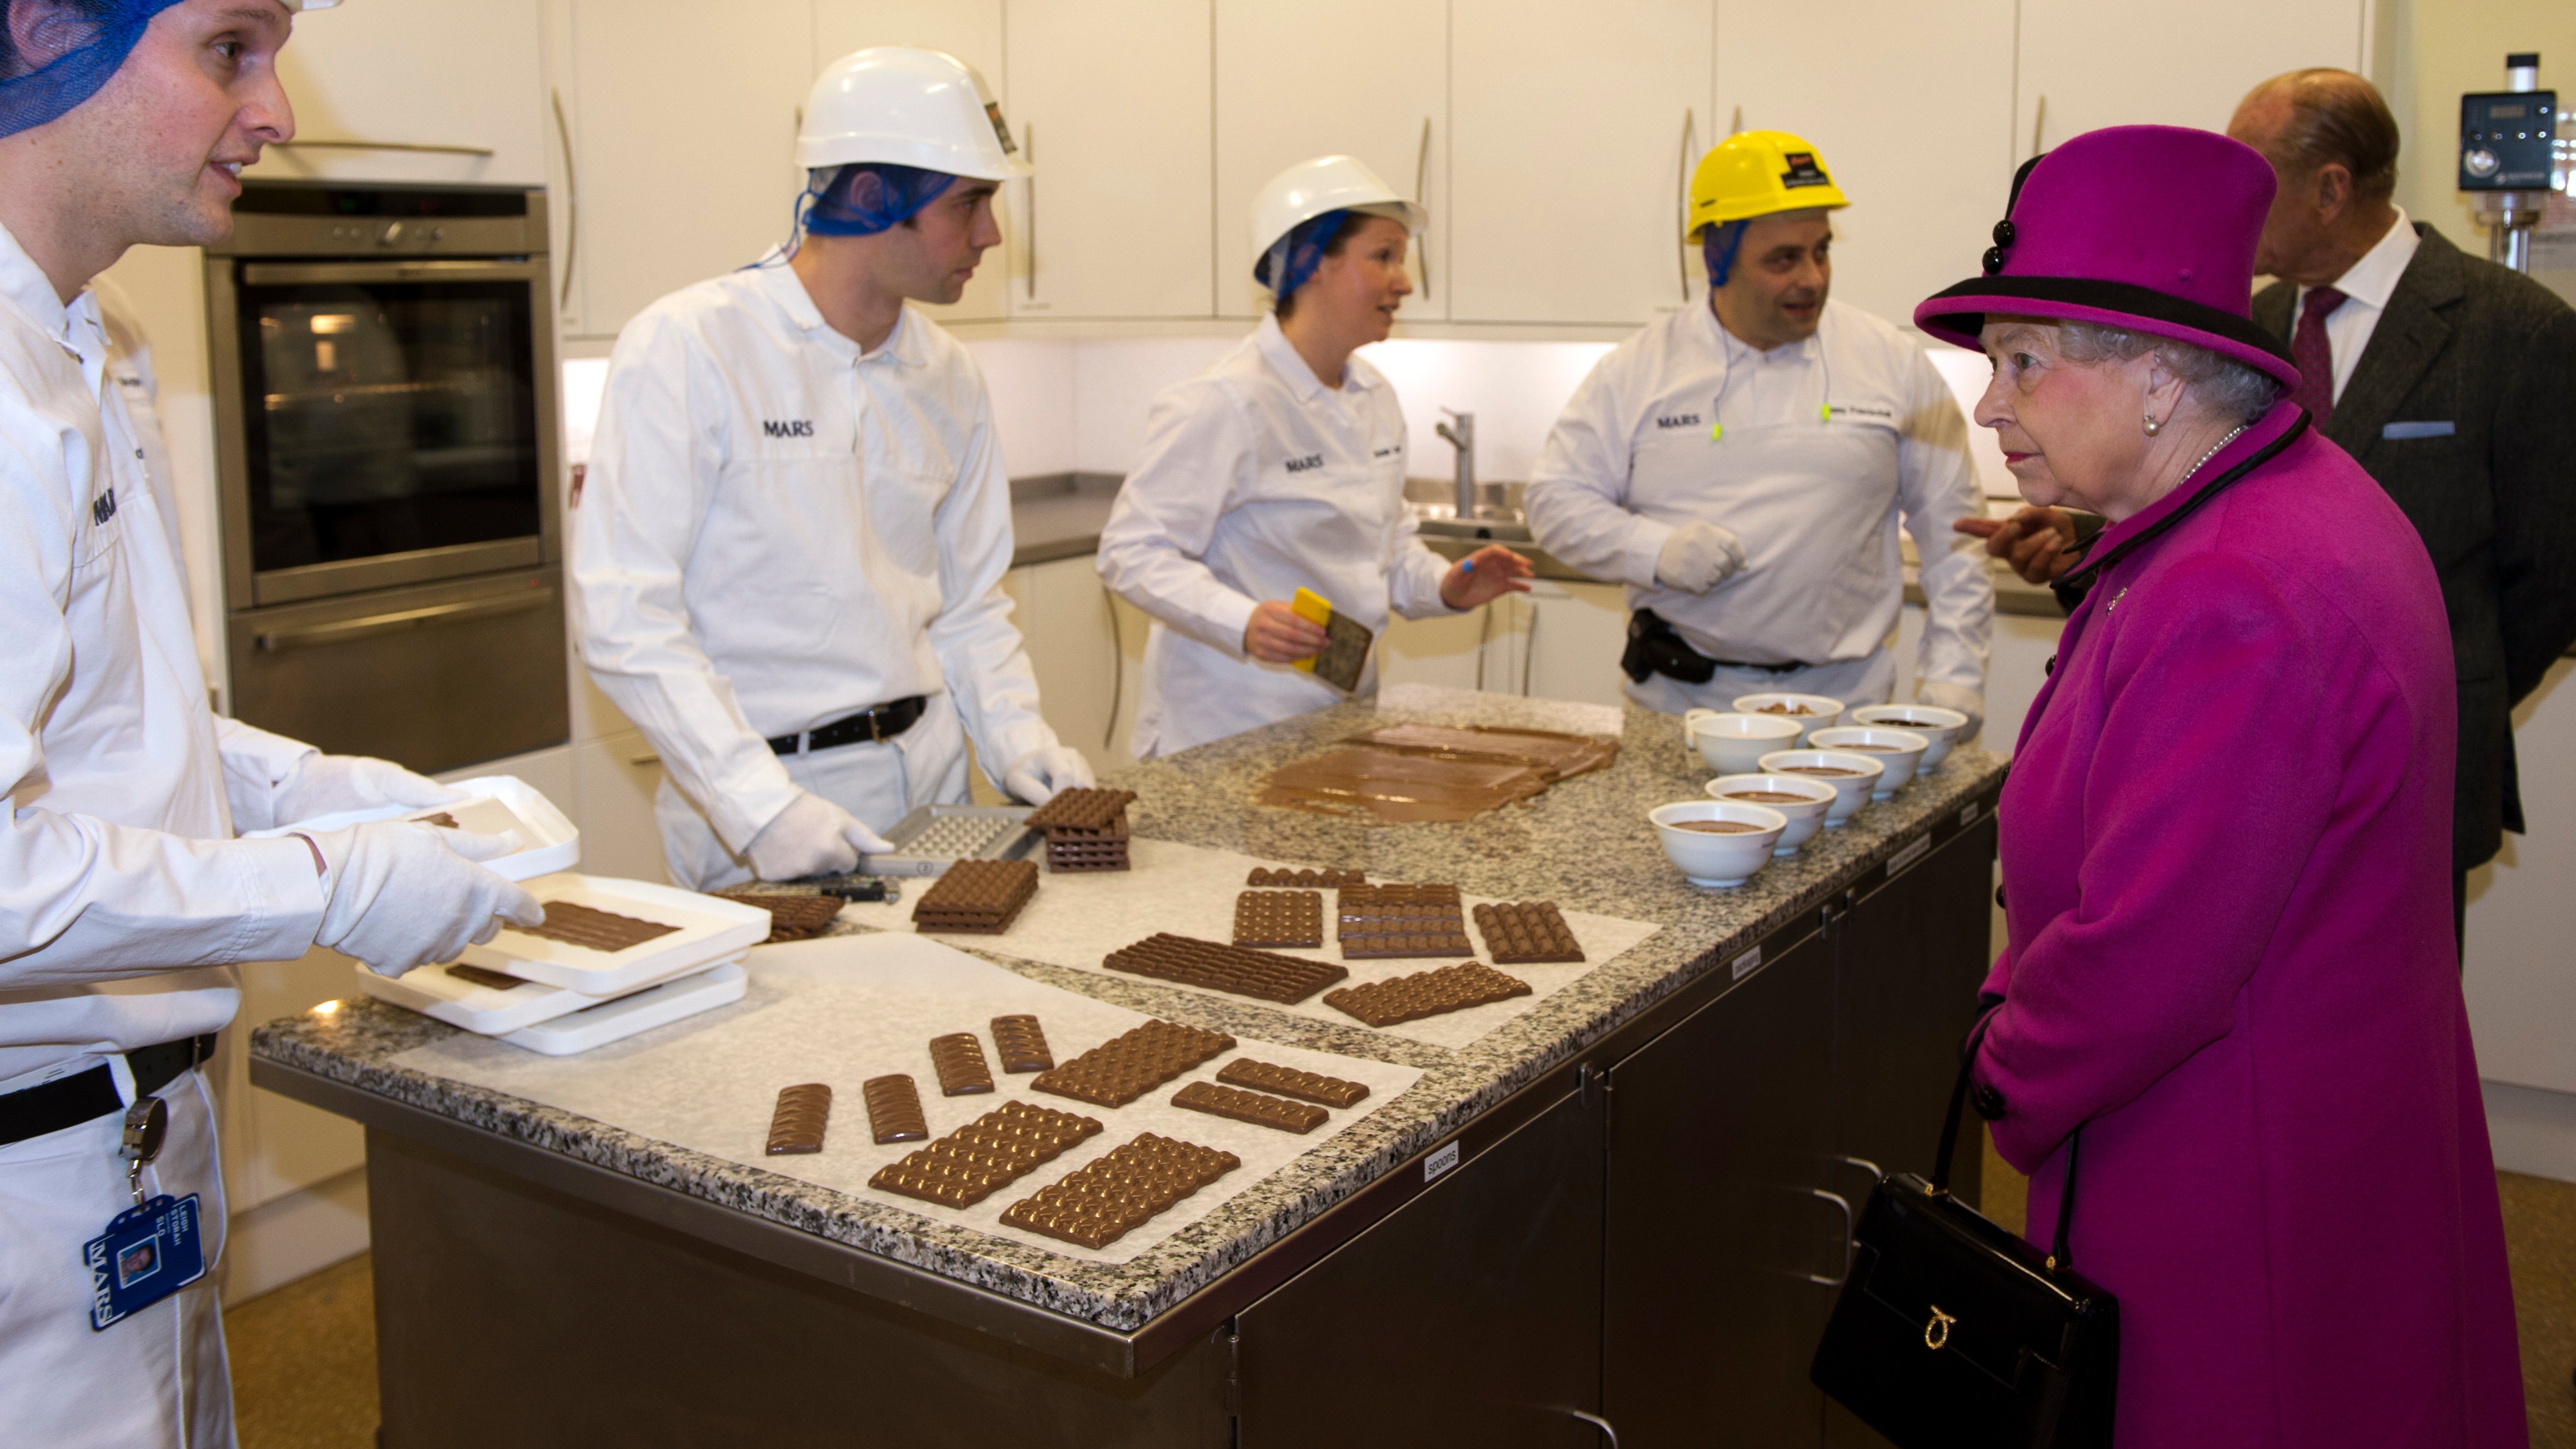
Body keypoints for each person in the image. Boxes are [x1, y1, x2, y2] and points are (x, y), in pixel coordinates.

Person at [1918, 125, 2524, 1446]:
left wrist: (2000, 1060)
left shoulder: (2234, 586)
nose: (1990, 404)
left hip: (2224, 1163)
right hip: (2306, 1114)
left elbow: (2149, 953)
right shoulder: (2267, 504)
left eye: (2022, 360)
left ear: (2152, 374)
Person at [0, 3, 544, 1443]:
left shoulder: (82, 339)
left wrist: (306, 785)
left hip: (136, 1139)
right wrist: (327, 883)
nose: (279, 112)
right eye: (228, 49)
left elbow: (109, 716)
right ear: (43, 28)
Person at [1960, 69, 2576, 950]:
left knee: (2346, 978)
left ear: (2330, 187)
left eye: (2258, 169)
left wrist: (2406, 681)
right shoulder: (2244, 320)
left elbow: (2551, 569)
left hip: (2394, 744)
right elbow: (2202, 490)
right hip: (2239, 744)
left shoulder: (2512, 327)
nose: (2233, 198)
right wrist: (2089, 531)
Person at [573, 48, 1095, 889]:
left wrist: (1017, 739)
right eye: (969, 202)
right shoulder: (692, 346)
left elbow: (968, 605)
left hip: (933, 781)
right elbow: (624, 616)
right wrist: (760, 811)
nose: (991, 235)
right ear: (872, 196)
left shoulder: (948, 375)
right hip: (768, 800)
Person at [1523, 130, 1991, 733]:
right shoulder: (1638, 370)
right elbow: (1554, 501)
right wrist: (1653, 551)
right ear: (1716, 261)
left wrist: (1955, 679)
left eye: (1821, 251)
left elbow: (1956, 530)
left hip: (1847, 713)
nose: (1812, 278)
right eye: (1783, 259)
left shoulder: (1890, 361)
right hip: (1680, 707)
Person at [1096, 155, 1532, 757]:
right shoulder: (1225, 400)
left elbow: (1385, 548)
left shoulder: (1375, 397)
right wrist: (1242, 621)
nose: (1404, 282)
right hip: (1225, 729)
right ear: (1312, 262)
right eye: (1383, 256)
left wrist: (1446, 586)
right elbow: (1131, 551)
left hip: (1341, 720)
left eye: (1401, 258)